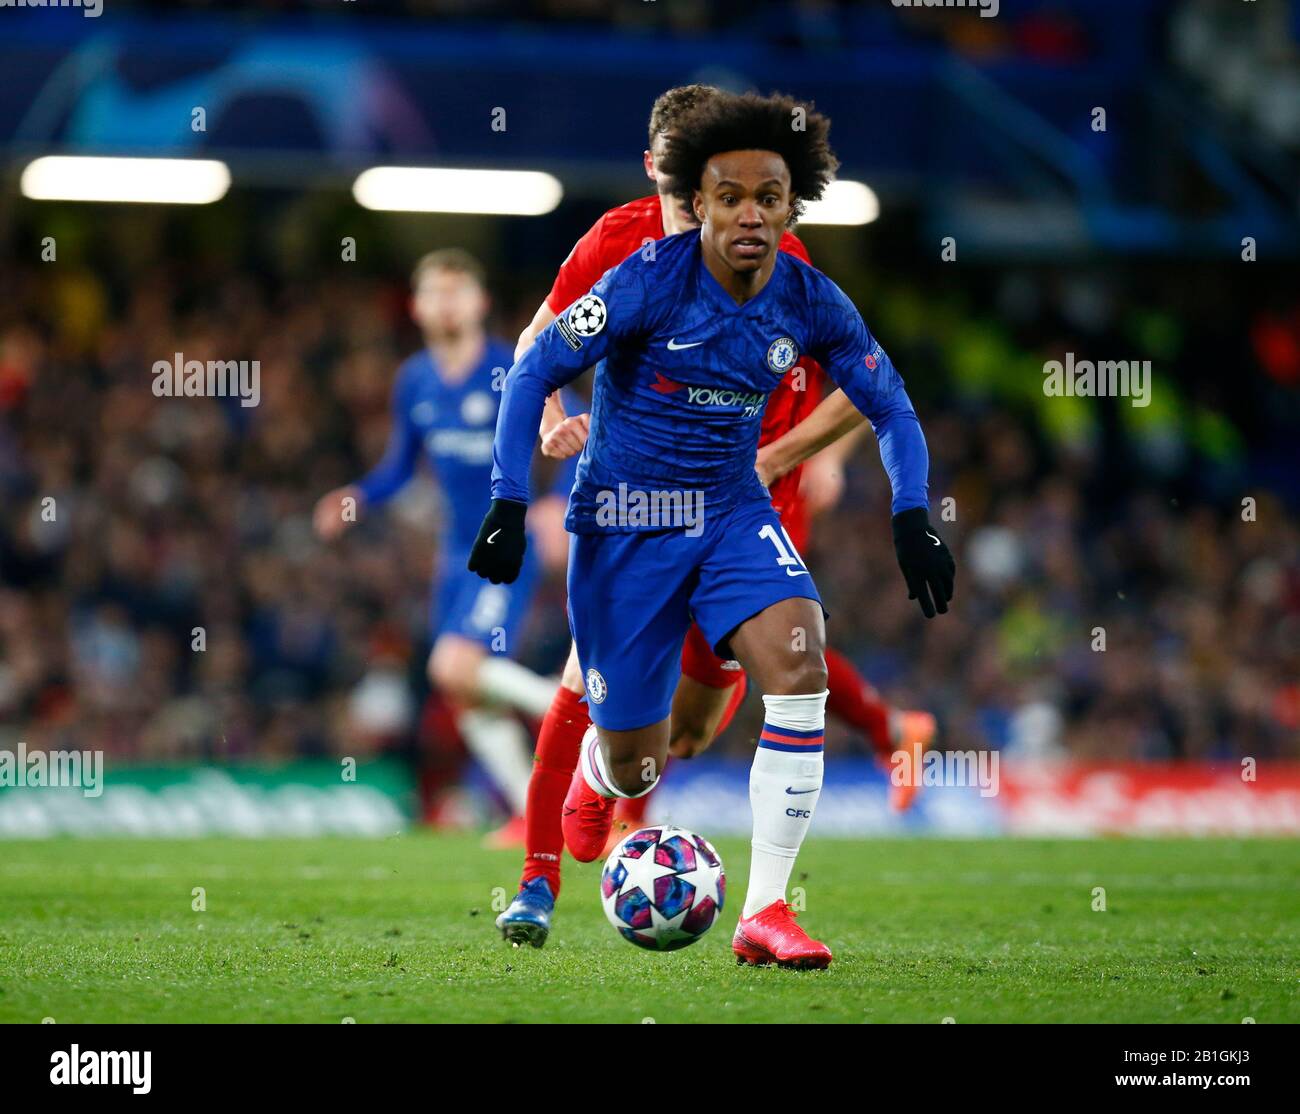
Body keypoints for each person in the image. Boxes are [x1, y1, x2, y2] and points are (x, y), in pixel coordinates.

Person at [472, 91, 955, 968]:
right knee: (645, 762)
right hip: (626, 522)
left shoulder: (808, 294)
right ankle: (594, 778)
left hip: (733, 510)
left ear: (790, 206)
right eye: (729, 197)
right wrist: (510, 500)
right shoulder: (641, 275)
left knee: (800, 655)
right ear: (696, 200)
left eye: (768, 199)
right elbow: (531, 365)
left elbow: (888, 399)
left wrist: (913, 510)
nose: (749, 214)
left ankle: (766, 910)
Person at [314, 249, 565, 843]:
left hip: (507, 541)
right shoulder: (415, 380)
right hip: (455, 555)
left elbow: (577, 427)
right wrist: (356, 495)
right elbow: (400, 466)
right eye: (435, 292)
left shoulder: (513, 366)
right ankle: (534, 813)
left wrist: (563, 503)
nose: (446, 303)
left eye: (458, 291)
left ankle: (586, 714)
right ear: (416, 307)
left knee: (452, 666)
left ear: (480, 303)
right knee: (463, 687)